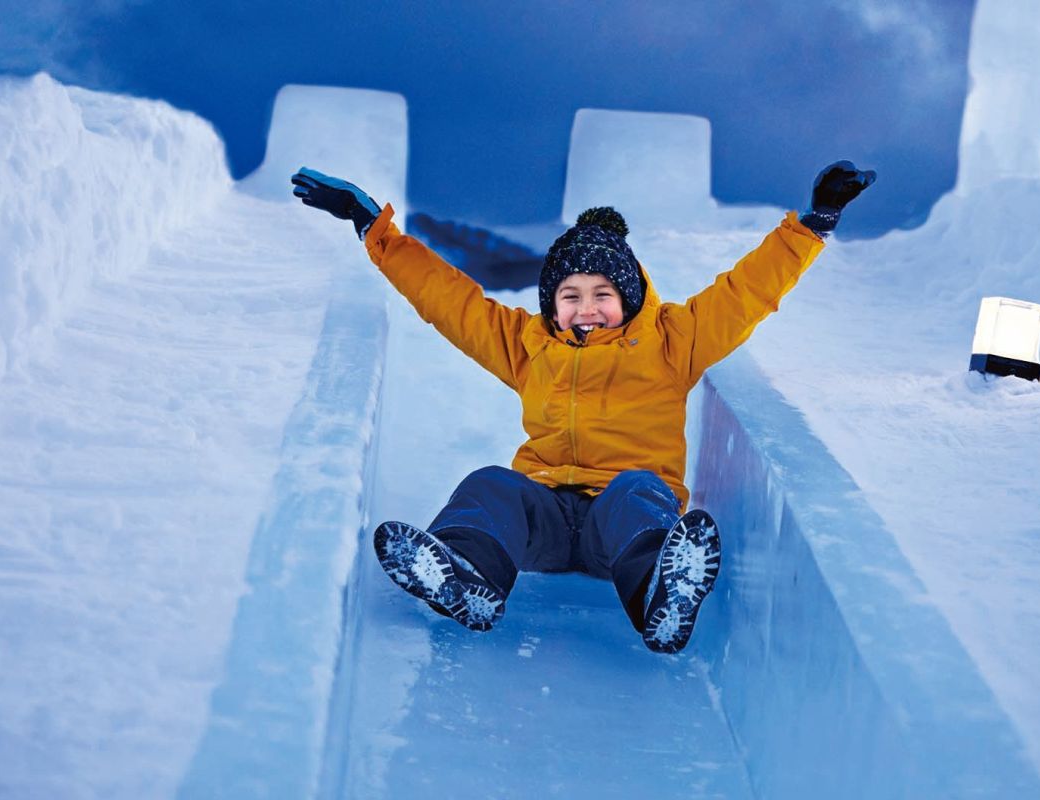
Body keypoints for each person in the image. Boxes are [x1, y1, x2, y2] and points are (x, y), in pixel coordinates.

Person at [291, 161, 874, 653]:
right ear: (551, 302)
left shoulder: (673, 341)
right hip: (545, 514)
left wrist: (812, 224)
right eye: (569, 296)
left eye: (602, 294)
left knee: (638, 490)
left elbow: (746, 292)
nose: (585, 308)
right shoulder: (528, 345)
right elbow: (448, 299)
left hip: (617, 530)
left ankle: (658, 593)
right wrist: (375, 230)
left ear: (630, 297)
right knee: (491, 484)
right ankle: (468, 576)